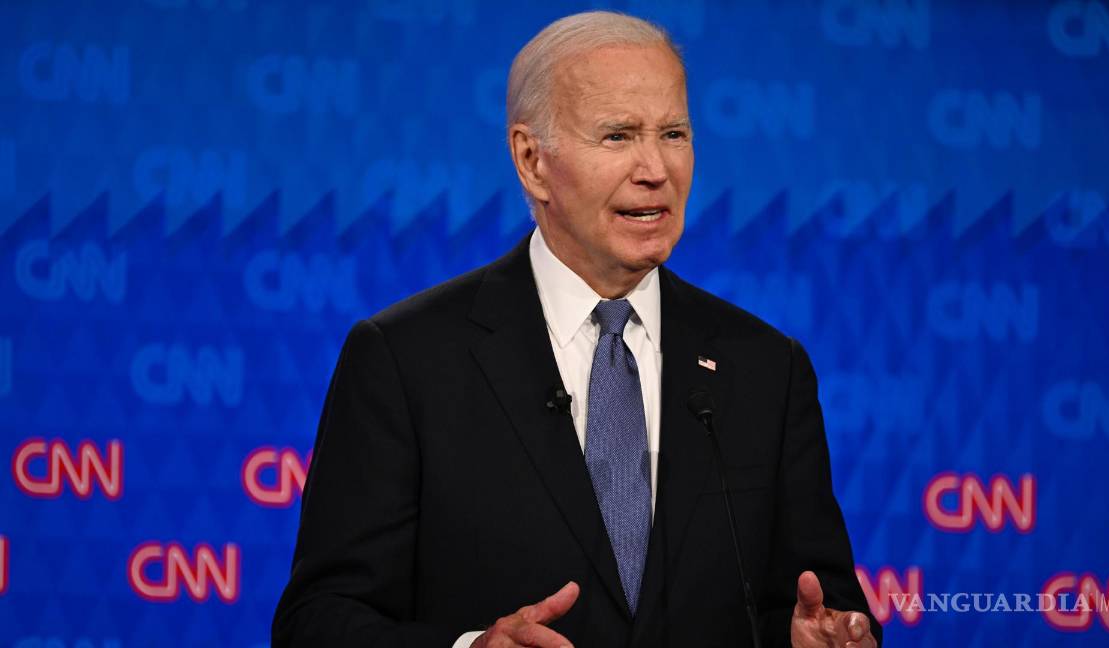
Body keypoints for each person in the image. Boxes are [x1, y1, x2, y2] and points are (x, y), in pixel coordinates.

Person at [273, 11, 879, 648]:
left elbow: (819, 605)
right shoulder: (405, 360)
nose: (656, 168)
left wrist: (817, 639)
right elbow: (317, 622)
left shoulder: (765, 367)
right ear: (532, 160)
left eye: (673, 133)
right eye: (618, 136)